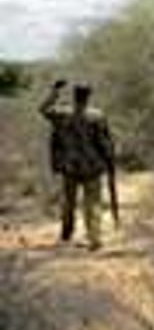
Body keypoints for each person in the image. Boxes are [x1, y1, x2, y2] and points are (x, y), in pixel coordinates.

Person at [39, 80, 115, 250]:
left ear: (74, 95)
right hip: (92, 166)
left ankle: (67, 233)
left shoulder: (62, 113)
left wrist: (54, 93)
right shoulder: (97, 115)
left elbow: (43, 109)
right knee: (93, 203)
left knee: (69, 202)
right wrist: (109, 160)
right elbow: (105, 142)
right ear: (88, 96)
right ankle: (94, 238)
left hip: (70, 166)